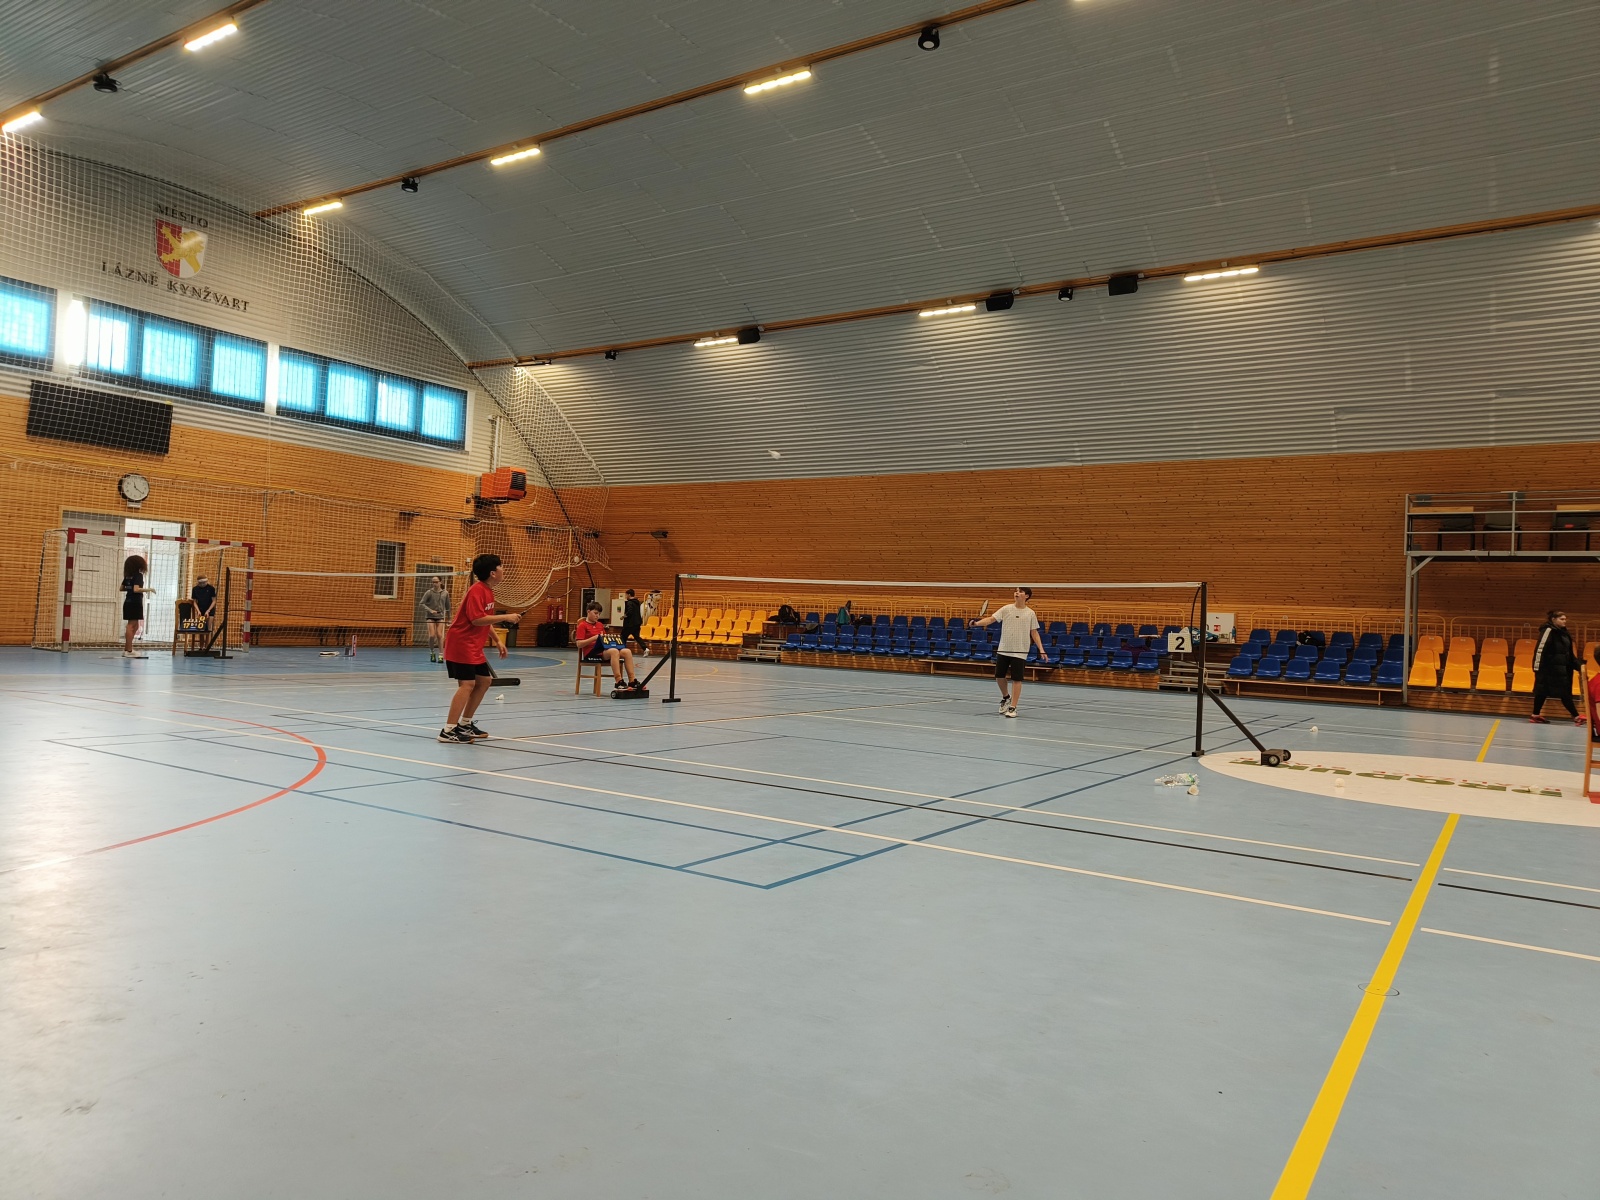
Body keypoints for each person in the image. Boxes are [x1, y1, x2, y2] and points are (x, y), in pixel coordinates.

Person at [438, 554, 520, 743]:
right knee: (467, 685)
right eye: (501, 567)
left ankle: (465, 724)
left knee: (484, 681)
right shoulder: (477, 591)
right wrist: (506, 617)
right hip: (461, 643)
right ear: (493, 573)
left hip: (473, 646)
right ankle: (448, 731)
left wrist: (497, 640)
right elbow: (476, 619)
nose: (503, 569)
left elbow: (484, 619)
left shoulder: (488, 591)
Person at [972, 586, 1050, 718]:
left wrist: (1041, 649)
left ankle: (1013, 707)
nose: (1016, 593)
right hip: (1004, 648)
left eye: (1020, 592)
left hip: (1020, 651)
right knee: (999, 676)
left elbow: (1034, 632)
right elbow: (991, 619)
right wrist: (976, 624)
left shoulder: (1030, 613)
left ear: (1027, 596)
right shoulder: (1006, 609)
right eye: (1016, 591)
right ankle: (1006, 697)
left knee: (1016, 679)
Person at [575, 600, 643, 692]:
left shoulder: (600, 625)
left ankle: (632, 681)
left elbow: (604, 639)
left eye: (599, 614)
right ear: (588, 611)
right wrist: (594, 638)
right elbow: (579, 644)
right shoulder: (582, 625)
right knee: (614, 651)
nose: (597, 616)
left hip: (602, 650)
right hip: (591, 653)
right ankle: (618, 681)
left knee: (627, 651)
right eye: (595, 613)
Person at [1530, 609, 1583, 724]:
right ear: (1553, 619)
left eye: (1565, 619)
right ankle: (1576, 717)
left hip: (1561, 670)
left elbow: (1569, 654)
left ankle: (1535, 715)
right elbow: (1540, 650)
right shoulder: (1548, 631)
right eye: (1561, 619)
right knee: (1546, 692)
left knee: (1554, 692)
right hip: (1548, 670)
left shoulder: (1564, 633)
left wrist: (1580, 667)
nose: (1564, 621)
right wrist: (1537, 668)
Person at [120, 555, 151, 658]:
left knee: (135, 625)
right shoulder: (138, 575)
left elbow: (121, 588)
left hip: (128, 602)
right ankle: (129, 650)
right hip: (135, 602)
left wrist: (130, 588)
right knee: (131, 626)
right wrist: (148, 590)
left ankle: (127, 648)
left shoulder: (128, 576)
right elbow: (136, 589)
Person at [419, 575, 451, 663]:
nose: (434, 584)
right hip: (430, 616)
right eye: (433, 582)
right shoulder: (429, 592)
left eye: (436, 582)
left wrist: (449, 618)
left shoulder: (445, 593)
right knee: (432, 635)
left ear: (440, 582)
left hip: (440, 616)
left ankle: (441, 655)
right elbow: (421, 603)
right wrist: (430, 610)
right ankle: (432, 652)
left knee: (440, 635)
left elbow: (448, 607)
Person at [620, 588, 647, 656]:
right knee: (637, 637)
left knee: (623, 637)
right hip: (637, 623)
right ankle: (645, 648)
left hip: (629, 624)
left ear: (629, 595)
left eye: (626, 595)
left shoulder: (629, 602)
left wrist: (624, 616)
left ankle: (622, 650)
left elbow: (630, 611)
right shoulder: (637, 602)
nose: (626, 596)